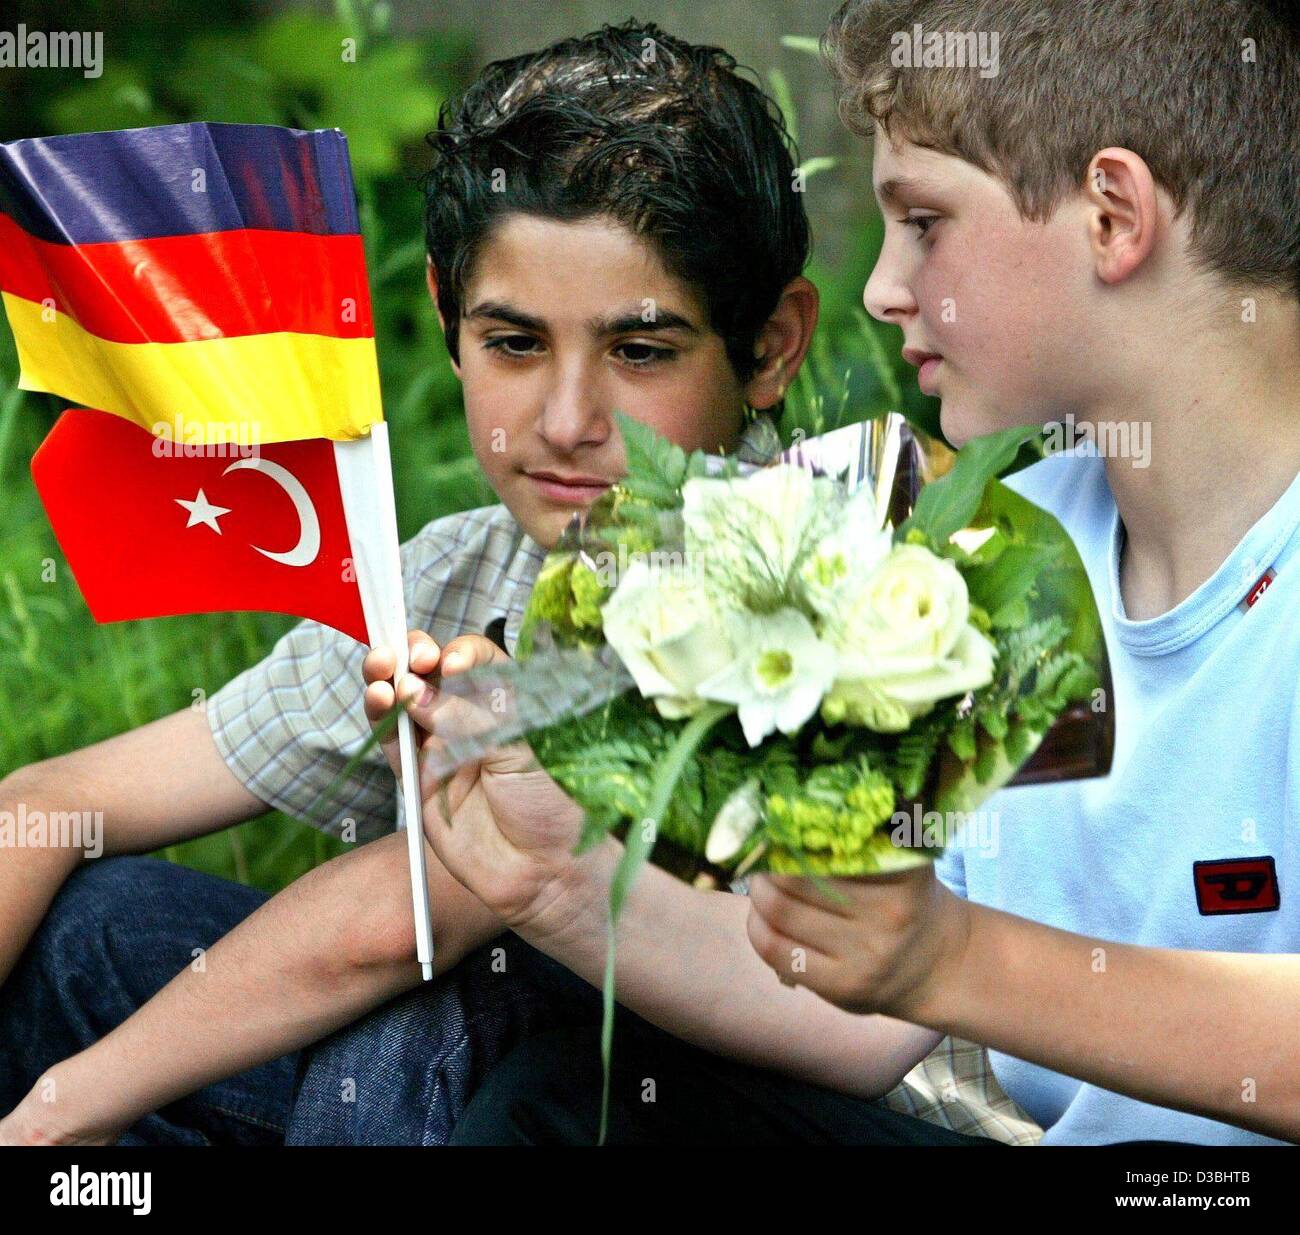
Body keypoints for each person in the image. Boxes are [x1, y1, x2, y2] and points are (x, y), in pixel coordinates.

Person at [0, 20, 1032, 1148]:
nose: (565, 422)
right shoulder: (462, 566)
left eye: (639, 351)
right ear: (445, 315)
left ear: (774, 343)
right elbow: (49, 802)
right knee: (95, 929)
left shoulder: (805, 549)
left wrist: (54, 1109)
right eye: (514, 343)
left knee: (457, 995)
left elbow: (393, 922)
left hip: (814, 1115)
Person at [444, 0, 1300, 1146]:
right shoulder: (1008, 548)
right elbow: (875, 1010)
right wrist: (554, 875)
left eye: (924, 221)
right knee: (569, 1102)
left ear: (1110, 215)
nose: (883, 288)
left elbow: (945, 967)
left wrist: (957, 956)